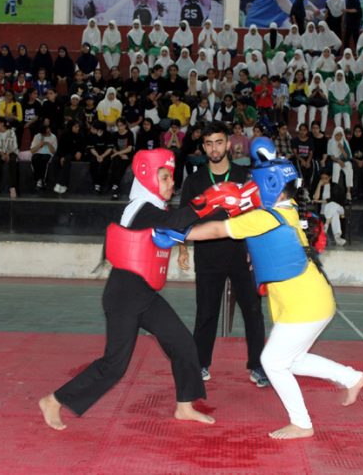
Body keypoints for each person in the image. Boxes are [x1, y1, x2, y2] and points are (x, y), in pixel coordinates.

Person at [39, 147, 252, 431]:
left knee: (183, 343)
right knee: (115, 365)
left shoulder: (156, 212)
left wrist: (236, 214)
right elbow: (178, 221)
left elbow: (196, 228)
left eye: (172, 178)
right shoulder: (139, 209)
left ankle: (185, 406)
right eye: (164, 178)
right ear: (148, 178)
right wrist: (209, 199)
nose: (171, 183)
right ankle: (53, 401)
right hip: (124, 296)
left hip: (144, 296)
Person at [182, 137, 363, 439]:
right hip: (311, 300)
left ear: (269, 187)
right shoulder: (289, 208)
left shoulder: (264, 217)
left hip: (305, 305)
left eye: (257, 185)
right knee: (291, 360)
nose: (252, 190)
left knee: (272, 362)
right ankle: (351, 377)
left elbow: (217, 229)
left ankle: (302, 423)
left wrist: (179, 233)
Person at [178, 121, 268, 386]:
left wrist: (257, 249)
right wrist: (182, 249)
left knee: (253, 311)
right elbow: (183, 219)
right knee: (206, 312)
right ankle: (201, 364)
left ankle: (258, 366)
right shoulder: (194, 181)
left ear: (228, 144)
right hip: (207, 256)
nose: (214, 148)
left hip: (243, 255)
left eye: (219, 142)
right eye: (209, 143)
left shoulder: (245, 176)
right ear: (203, 147)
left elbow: (258, 215)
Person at [0, 117, 19, 199]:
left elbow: (15, 146)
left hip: (11, 152)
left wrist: (8, 154)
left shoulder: (11, 132)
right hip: (0, 152)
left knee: (13, 161)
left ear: (2, 123)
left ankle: (13, 188)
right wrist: (2, 154)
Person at [53, 120, 84, 195]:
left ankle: (61, 183)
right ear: (71, 127)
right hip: (65, 154)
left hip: (74, 155)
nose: (78, 128)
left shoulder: (80, 135)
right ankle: (61, 184)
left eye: (78, 127)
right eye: (75, 127)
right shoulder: (64, 135)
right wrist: (61, 156)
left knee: (67, 159)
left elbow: (81, 146)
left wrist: (80, 152)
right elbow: (60, 148)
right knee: (55, 160)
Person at [328, 126, 353, 201]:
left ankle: (348, 192)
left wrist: (342, 149)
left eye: (340, 135)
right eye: (337, 134)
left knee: (349, 170)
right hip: (336, 161)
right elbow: (331, 156)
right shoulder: (331, 142)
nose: (338, 136)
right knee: (335, 168)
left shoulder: (345, 142)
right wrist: (339, 161)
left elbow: (347, 157)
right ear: (334, 134)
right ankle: (335, 191)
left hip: (345, 161)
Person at [30, 124, 58, 190]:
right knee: (35, 159)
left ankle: (41, 180)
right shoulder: (37, 136)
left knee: (44, 160)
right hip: (37, 153)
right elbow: (32, 151)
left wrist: (48, 144)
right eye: (47, 132)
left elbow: (54, 151)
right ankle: (38, 179)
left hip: (48, 153)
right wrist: (40, 144)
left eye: (49, 130)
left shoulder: (53, 137)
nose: (49, 132)